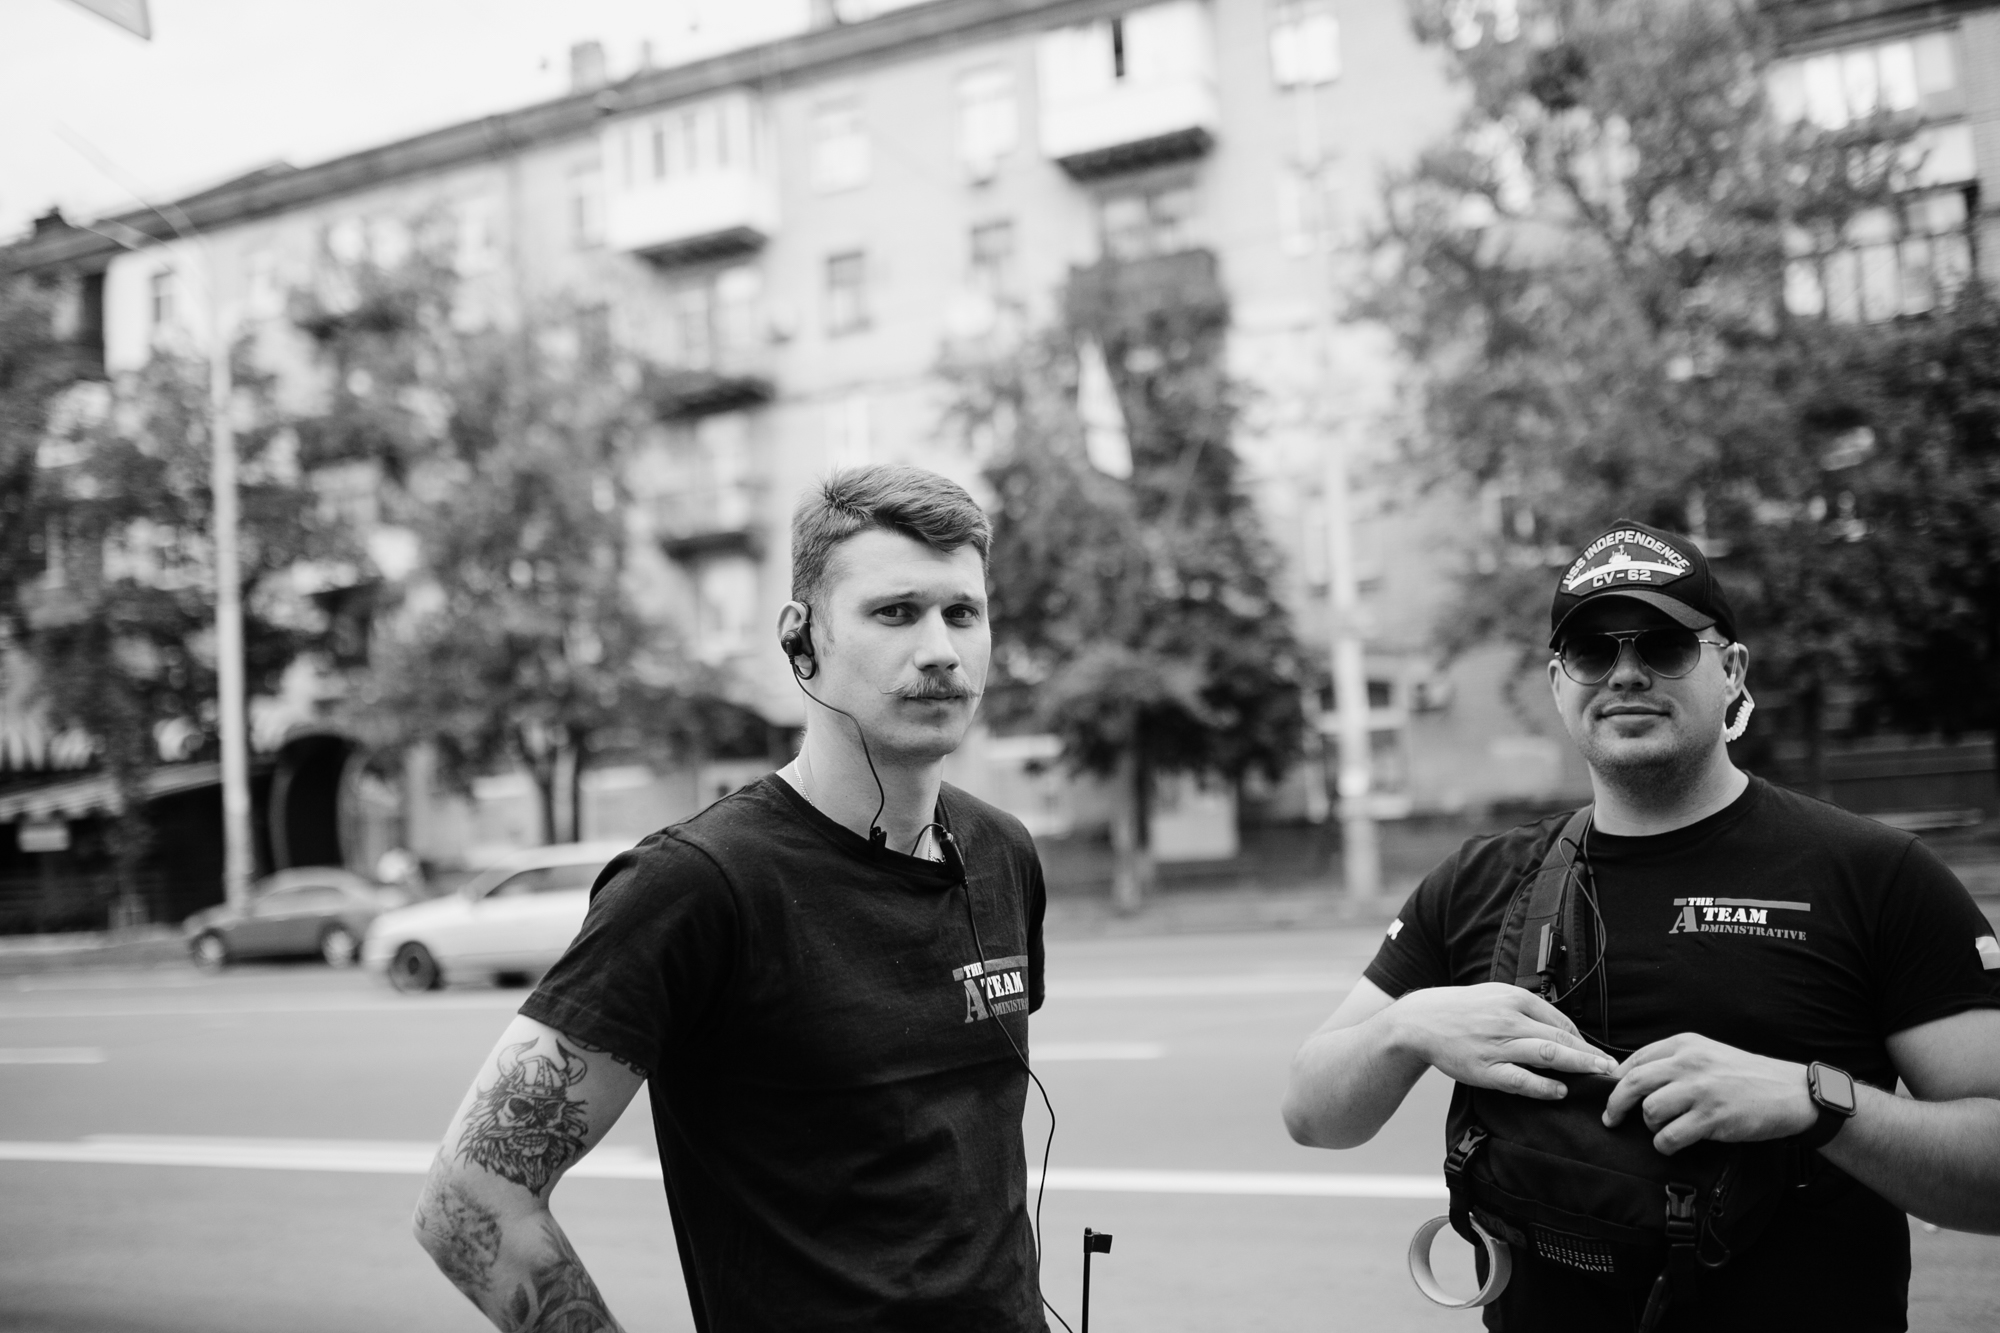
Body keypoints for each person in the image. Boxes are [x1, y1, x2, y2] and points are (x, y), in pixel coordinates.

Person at [1281, 518, 2000, 1330]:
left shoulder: (1875, 874)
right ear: (1559, 682)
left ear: (1732, 670)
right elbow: (1312, 1112)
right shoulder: (1478, 881)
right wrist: (1407, 1027)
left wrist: (1817, 1102)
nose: (1626, 673)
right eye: (1593, 651)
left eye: (1664, 645)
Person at [413, 464, 1050, 1332]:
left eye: (962, 613)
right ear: (801, 639)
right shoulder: (698, 884)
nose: (940, 649)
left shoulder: (1003, 852)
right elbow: (468, 1197)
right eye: (896, 612)